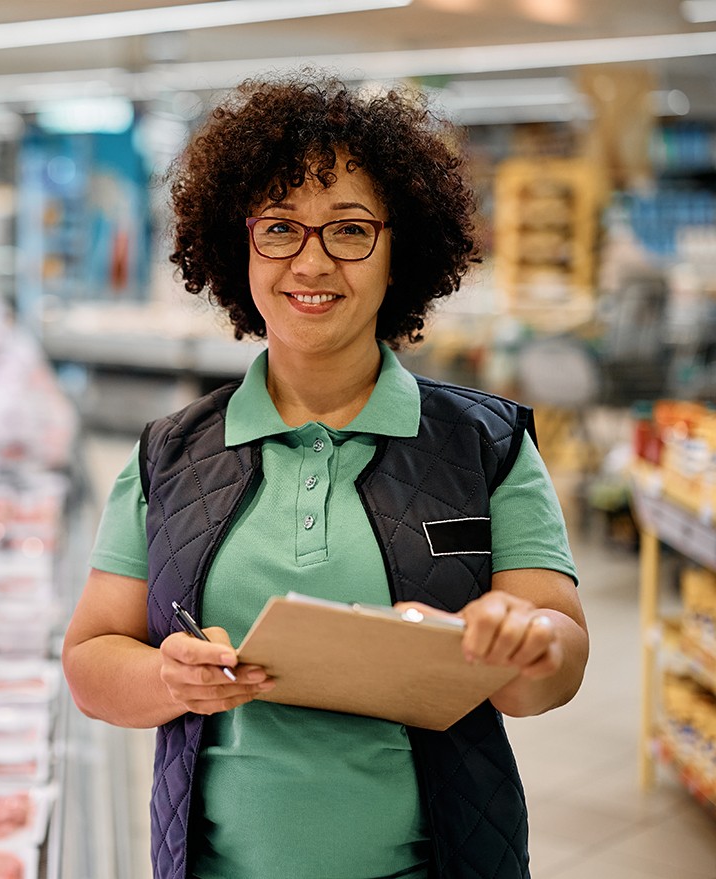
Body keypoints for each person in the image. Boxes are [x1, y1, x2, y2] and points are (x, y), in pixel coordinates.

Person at [61, 71, 589, 879]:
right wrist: (167, 677)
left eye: (348, 230)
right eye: (279, 227)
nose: (311, 263)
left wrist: (529, 642)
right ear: (239, 247)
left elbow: (553, 664)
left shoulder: (485, 445)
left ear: (396, 250)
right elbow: (93, 661)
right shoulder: (168, 454)